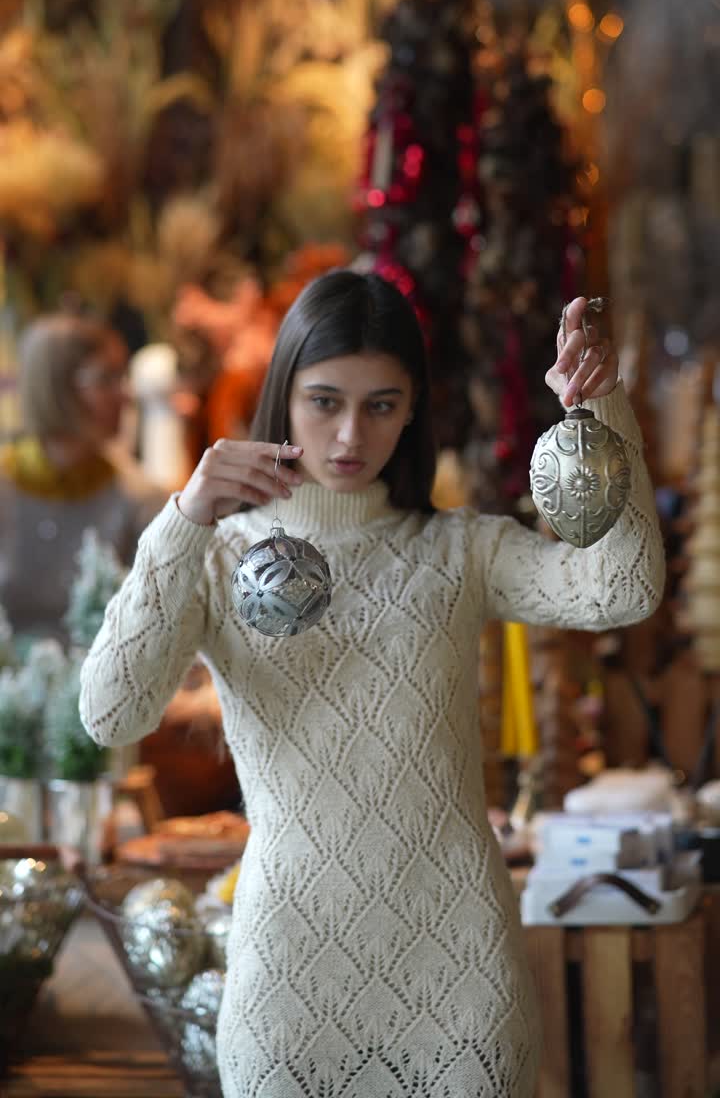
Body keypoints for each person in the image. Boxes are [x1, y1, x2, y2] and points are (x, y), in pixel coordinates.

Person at [79, 273, 665, 1098]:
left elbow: (622, 589)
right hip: (288, 983)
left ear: (414, 409)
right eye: (325, 401)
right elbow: (110, 713)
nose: (351, 433)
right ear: (283, 395)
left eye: (382, 405)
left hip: (461, 978)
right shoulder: (213, 551)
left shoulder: (458, 551)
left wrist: (601, 414)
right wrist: (182, 519)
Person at [0, 313, 162, 640]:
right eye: (107, 379)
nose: (126, 395)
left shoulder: (139, 499)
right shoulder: (6, 488)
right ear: (55, 387)